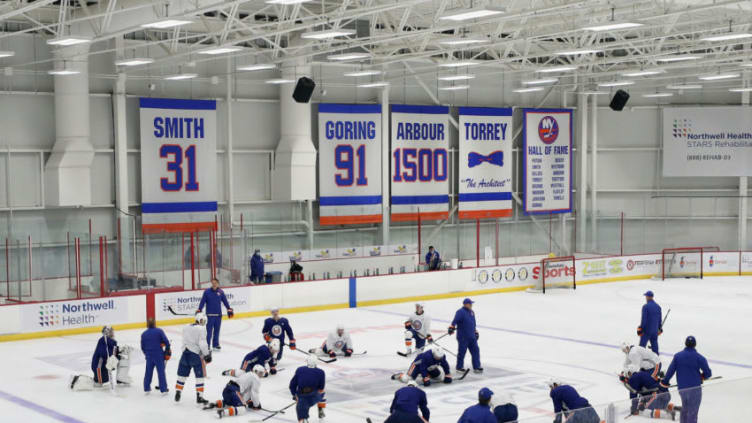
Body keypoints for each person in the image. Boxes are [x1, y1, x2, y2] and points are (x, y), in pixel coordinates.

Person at [660, 336, 711, 423]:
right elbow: (708, 373)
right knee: (692, 412)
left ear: (686, 344)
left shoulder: (677, 356)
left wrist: (665, 382)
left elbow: (670, 371)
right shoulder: (700, 358)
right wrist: (702, 377)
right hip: (695, 389)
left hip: (682, 389)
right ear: (695, 345)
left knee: (685, 409)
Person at [175, 312, 212, 404]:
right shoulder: (202, 329)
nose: (203, 323)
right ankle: (199, 396)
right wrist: (207, 354)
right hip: (195, 355)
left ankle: (178, 392)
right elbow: (203, 344)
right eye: (203, 321)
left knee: (181, 375)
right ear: (200, 320)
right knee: (199, 377)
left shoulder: (186, 327)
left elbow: (184, 340)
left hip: (185, 354)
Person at [197, 278, 234, 351]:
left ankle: (215, 344)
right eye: (213, 283)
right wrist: (199, 309)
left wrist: (229, 308)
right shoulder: (206, 292)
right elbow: (202, 301)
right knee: (208, 332)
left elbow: (225, 301)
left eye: (215, 283)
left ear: (218, 284)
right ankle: (206, 345)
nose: (214, 284)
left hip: (218, 316)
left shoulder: (221, 292)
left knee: (217, 331)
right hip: (210, 316)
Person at [448, 298, 482, 373]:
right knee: (462, 352)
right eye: (470, 304)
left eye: (471, 304)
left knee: (476, 351)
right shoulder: (460, 312)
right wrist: (451, 327)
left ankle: (477, 366)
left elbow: (473, 324)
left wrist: (475, 331)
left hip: (472, 337)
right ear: (465, 304)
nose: (471, 305)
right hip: (463, 337)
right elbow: (455, 321)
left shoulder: (472, 312)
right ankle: (459, 367)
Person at [290, 355, 327, 423]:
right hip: (314, 397)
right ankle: (320, 409)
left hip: (301, 397)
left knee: (302, 415)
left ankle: (303, 419)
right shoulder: (321, 372)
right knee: (322, 392)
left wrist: (294, 395)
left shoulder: (300, 369)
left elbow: (292, 384)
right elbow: (321, 387)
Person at [141, 318, 171, 395]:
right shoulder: (159, 331)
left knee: (148, 372)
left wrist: (146, 353)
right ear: (154, 323)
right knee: (161, 372)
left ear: (147, 324)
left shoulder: (144, 334)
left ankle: (147, 388)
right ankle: (163, 389)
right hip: (158, 355)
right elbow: (167, 342)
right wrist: (167, 351)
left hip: (149, 356)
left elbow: (143, 347)